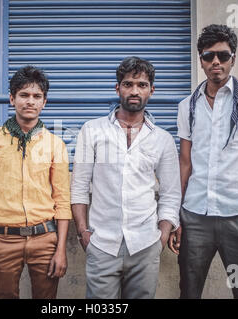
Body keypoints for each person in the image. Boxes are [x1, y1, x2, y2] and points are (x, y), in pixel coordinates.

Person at [168, 24, 238, 299]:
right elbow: (185, 163)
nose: (215, 62)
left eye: (223, 55)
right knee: (189, 292)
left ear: (233, 59)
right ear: (201, 60)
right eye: (208, 56)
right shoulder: (187, 106)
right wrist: (176, 216)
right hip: (195, 217)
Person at [71, 56, 181, 299]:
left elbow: (171, 193)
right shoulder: (93, 130)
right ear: (117, 87)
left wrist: (162, 236)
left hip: (145, 245)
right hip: (101, 244)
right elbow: (79, 187)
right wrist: (83, 233)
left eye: (141, 85)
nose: (134, 90)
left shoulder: (162, 139)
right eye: (128, 84)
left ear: (151, 90)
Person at [0, 66, 72, 299]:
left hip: (45, 239)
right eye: (23, 95)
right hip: (4, 240)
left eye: (37, 96)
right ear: (12, 98)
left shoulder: (55, 144)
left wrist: (60, 250)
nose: (30, 101)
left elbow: (62, 198)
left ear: (44, 102)